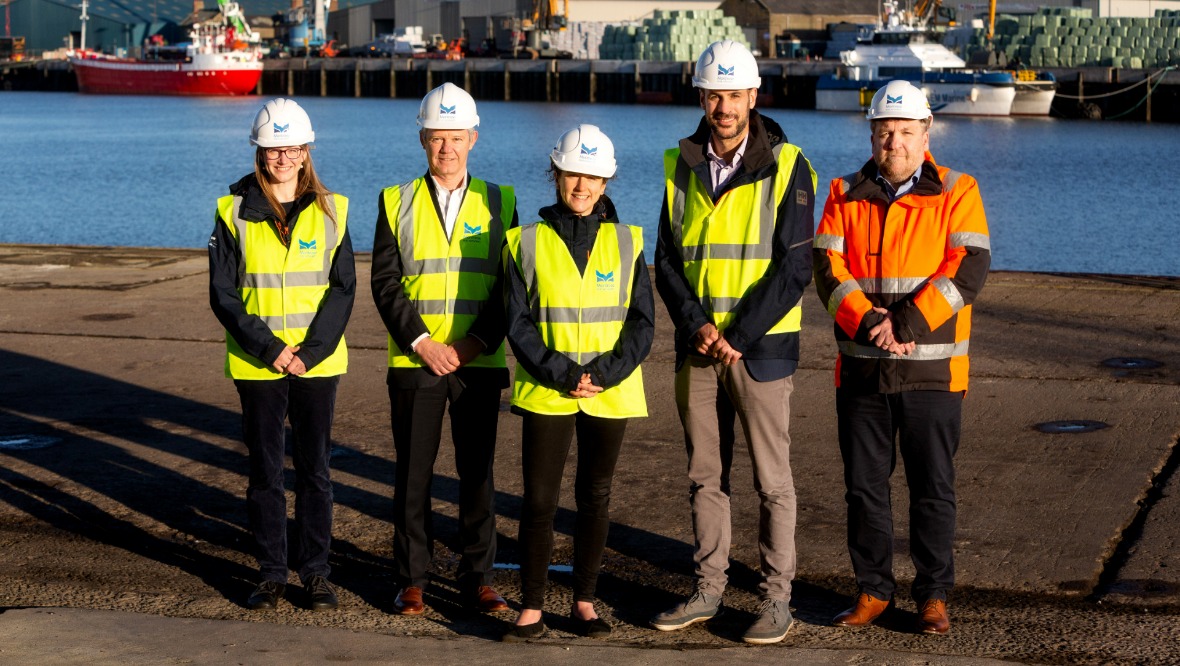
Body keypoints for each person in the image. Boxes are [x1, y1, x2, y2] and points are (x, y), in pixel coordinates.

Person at [649, 39, 816, 645]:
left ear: (754, 96)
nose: (724, 106)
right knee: (704, 476)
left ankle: (777, 601)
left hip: (760, 349)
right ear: (702, 97)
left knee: (773, 480)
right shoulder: (679, 163)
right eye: (713, 94)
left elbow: (795, 268)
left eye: (734, 94)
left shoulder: (789, 164)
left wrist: (737, 337)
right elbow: (666, 259)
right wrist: (698, 326)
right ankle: (708, 590)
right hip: (698, 346)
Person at [812, 79, 991, 635]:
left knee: (932, 488)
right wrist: (870, 323)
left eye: (907, 131)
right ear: (871, 134)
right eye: (886, 131)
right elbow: (827, 270)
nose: (896, 142)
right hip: (863, 368)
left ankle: (933, 596)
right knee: (864, 488)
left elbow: (969, 268)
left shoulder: (958, 190)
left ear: (926, 132)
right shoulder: (843, 192)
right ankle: (873, 591)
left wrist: (907, 324)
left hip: (933, 370)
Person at [501, 124, 654, 642]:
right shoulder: (523, 242)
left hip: (610, 390)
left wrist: (603, 374)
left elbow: (642, 323)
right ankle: (532, 607)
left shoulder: (629, 240)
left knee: (596, 497)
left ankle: (584, 602)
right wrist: (564, 373)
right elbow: (517, 323)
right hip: (550, 388)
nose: (581, 186)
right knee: (540, 501)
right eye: (572, 174)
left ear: (607, 180)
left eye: (592, 176)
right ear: (556, 174)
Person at [371, 82, 517, 616]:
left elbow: (511, 285)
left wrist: (476, 342)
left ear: (473, 138)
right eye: (437, 138)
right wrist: (423, 342)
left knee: (477, 475)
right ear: (423, 139)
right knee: (413, 475)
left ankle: (479, 578)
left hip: (479, 360)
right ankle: (412, 579)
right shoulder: (395, 200)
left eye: (456, 138)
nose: (447, 149)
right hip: (417, 361)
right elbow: (385, 283)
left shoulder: (501, 200)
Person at [208, 98, 355, 611]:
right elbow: (223, 295)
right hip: (259, 363)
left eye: (291, 147)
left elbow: (343, 289)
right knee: (266, 471)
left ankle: (315, 573)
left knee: (315, 470)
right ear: (259, 151)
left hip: (316, 363)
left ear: (306, 150)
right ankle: (271, 572)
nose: (282, 157)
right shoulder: (232, 212)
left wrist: (308, 353)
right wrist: (272, 349)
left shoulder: (333, 209)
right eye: (273, 148)